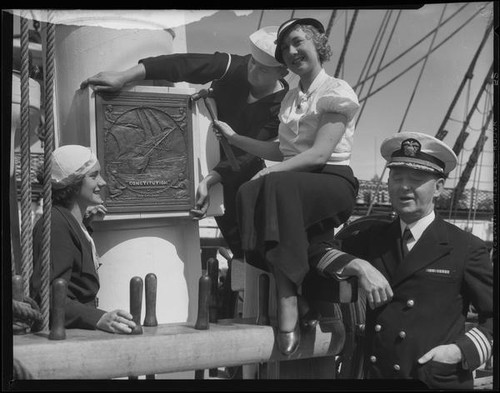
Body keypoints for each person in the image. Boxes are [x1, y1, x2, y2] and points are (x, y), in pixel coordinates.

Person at [80, 27, 289, 279]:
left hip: (238, 176)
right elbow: (183, 65)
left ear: (283, 71)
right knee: (241, 249)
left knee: (255, 249)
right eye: (253, 63)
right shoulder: (234, 66)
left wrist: (210, 180)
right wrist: (125, 77)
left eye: (264, 69)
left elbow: (251, 153)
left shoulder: (284, 105)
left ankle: (258, 300)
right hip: (195, 158)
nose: (253, 71)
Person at [215, 17, 360, 355]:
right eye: (285, 48)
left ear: (318, 45)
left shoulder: (336, 90)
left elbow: (319, 154)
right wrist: (235, 137)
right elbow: (280, 151)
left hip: (332, 181)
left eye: (298, 42)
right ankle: (297, 292)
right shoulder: (289, 99)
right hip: (296, 185)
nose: (291, 51)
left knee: (273, 184)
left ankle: (288, 303)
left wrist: (268, 174)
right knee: (247, 192)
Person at [314, 132, 493, 389]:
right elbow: (317, 252)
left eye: (416, 179)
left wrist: (460, 351)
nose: (404, 187)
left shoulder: (465, 247)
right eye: (396, 178)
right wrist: (357, 265)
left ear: (439, 187)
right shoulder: (371, 238)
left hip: (435, 380)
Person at [30, 145, 137, 333]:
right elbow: (48, 296)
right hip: (64, 336)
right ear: (73, 183)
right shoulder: (56, 224)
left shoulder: (71, 223)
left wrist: (85, 222)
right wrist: (98, 318)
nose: (103, 182)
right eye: (94, 176)